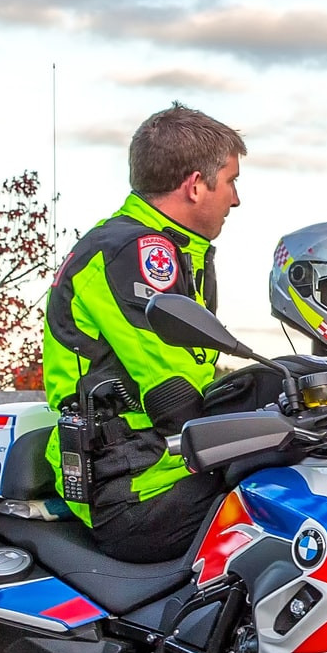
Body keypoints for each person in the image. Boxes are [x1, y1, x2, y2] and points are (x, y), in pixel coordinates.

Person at [41, 105, 245, 563]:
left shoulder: (167, 248)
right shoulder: (135, 251)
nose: (236, 199)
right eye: (231, 181)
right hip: (134, 486)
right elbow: (171, 392)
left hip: (158, 469)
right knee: (279, 507)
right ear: (195, 185)